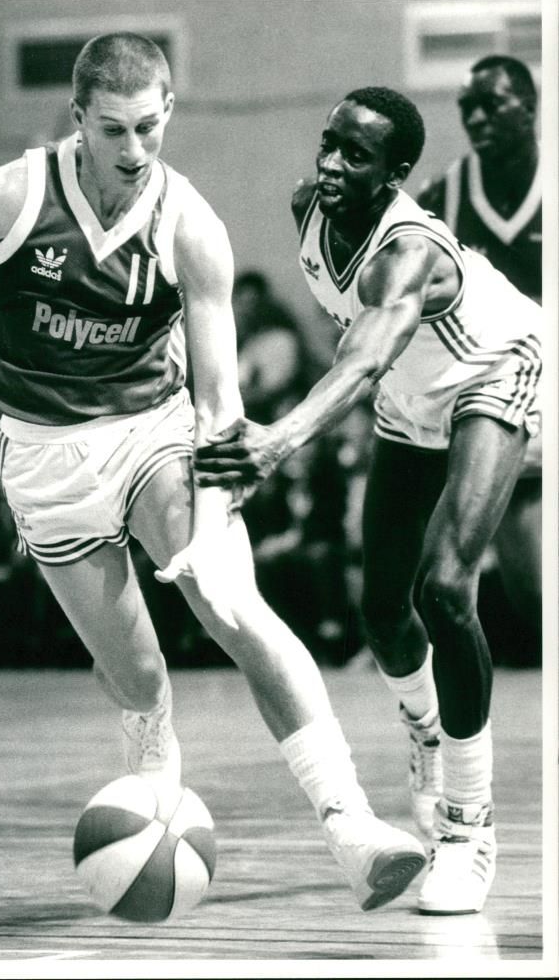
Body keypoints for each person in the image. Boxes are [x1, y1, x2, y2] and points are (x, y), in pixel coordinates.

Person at [0, 35, 426, 912]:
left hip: (152, 435)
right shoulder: (11, 196)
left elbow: (218, 405)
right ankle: (154, 804)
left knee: (232, 606)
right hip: (41, 454)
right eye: (112, 130)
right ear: (77, 116)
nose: (133, 151)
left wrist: (210, 527)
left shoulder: (189, 224)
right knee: (136, 676)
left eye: (147, 127)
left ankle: (351, 826)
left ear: (166, 113)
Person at [194, 86, 542, 916]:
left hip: (494, 368)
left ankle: (468, 826)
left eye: (357, 156)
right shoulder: (304, 206)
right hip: (409, 396)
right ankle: (425, 733)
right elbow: (353, 345)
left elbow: (366, 355)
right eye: (329, 144)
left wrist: (280, 438)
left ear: (394, 176)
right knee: (382, 615)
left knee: (446, 589)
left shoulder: (407, 251)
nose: (332, 164)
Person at [416, 55, 542, 655]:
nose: (476, 117)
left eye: (492, 103)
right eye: (467, 107)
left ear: (531, 107)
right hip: (504, 386)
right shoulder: (444, 195)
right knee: (534, 591)